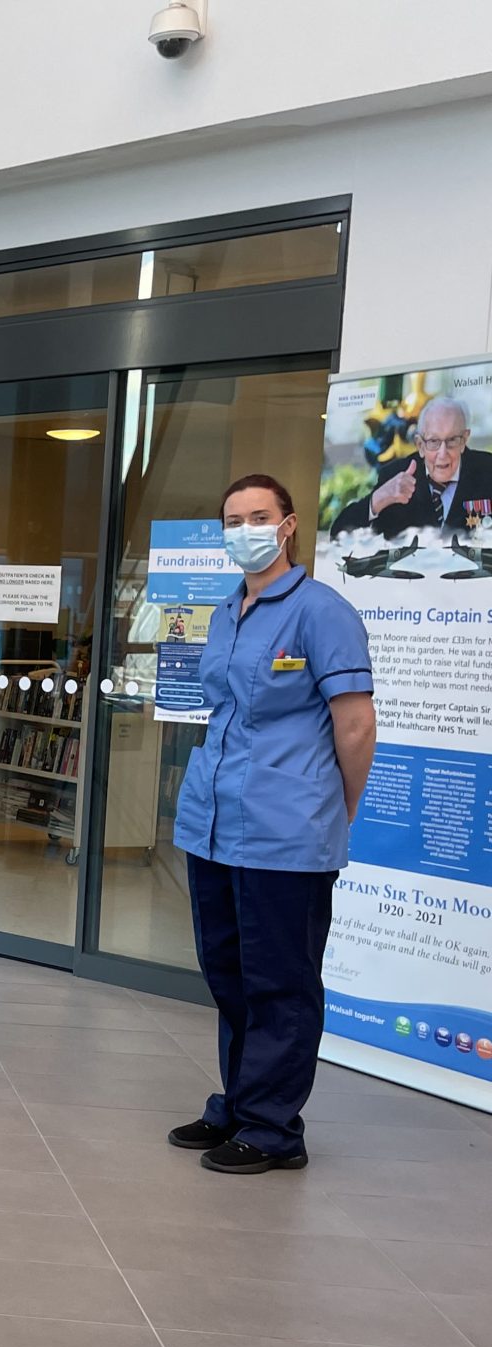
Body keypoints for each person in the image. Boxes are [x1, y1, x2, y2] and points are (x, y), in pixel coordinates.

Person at [169, 474, 375, 1174]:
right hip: (214, 823)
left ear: (288, 526)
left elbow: (355, 724)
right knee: (228, 973)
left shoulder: (322, 611)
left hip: (287, 832)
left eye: (260, 516)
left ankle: (273, 1127)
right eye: (233, 519)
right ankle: (240, 1101)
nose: (245, 529)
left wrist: (333, 811)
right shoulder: (227, 611)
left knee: (280, 982)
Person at [334, 396, 492, 538]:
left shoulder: (487, 470)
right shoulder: (394, 475)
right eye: (433, 442)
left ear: (464, 439)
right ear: (420, 445)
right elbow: (338, 533)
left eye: (452, 440)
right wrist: (380, 498)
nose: (442, 453)